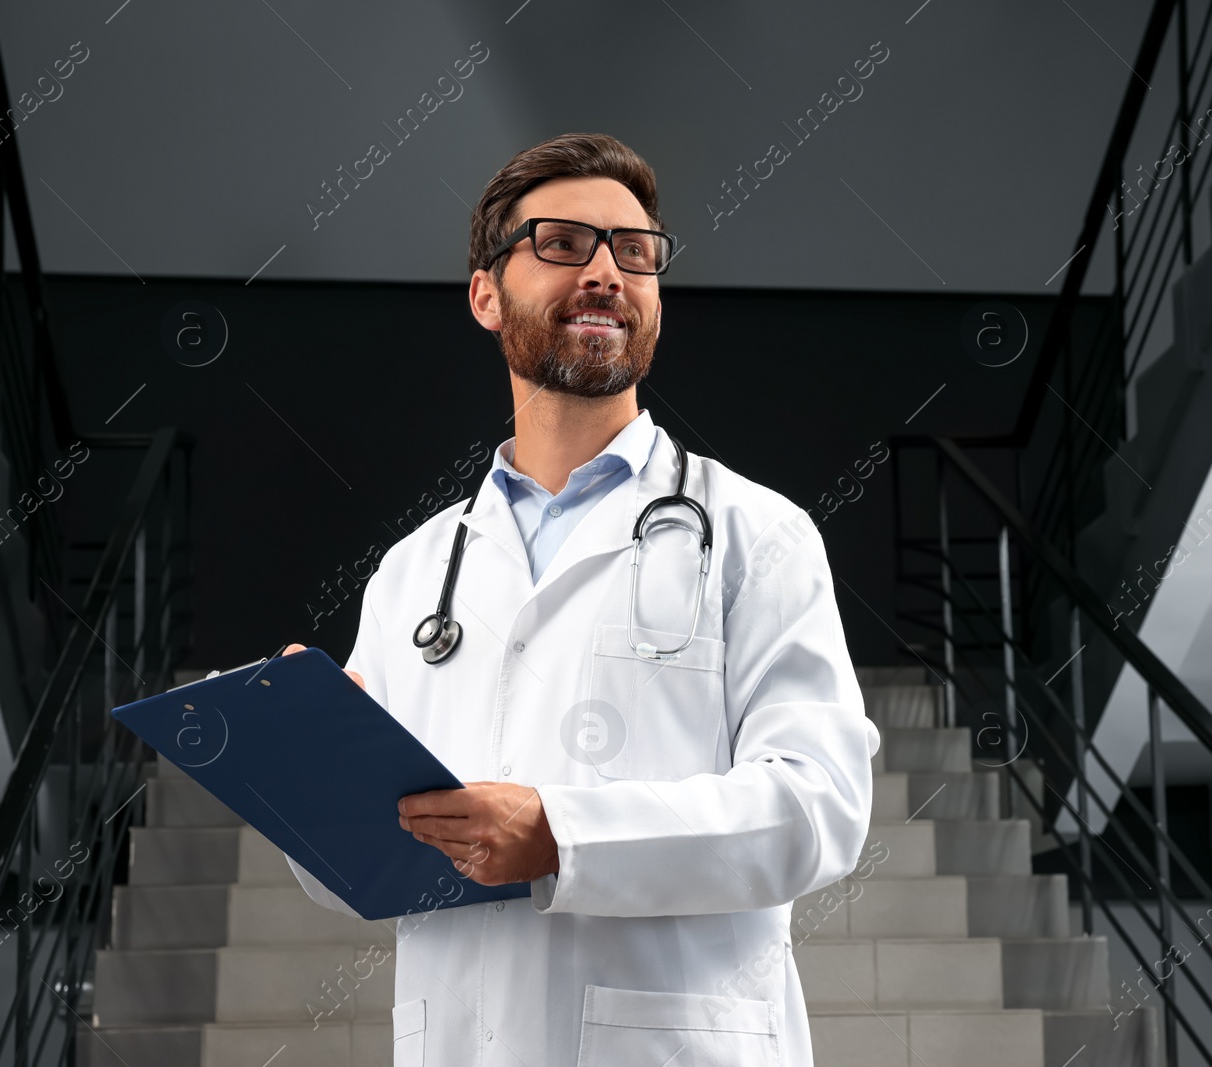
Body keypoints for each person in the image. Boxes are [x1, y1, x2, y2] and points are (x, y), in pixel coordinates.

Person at [282, 132, 879, 1067]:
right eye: (563, 243)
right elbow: (354, 877)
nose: (606, 272)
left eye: (633, 252)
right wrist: (313, 774)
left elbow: (820, 808)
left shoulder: (757, 534)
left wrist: (562, 832)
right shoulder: (413, 571)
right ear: (486, 294)